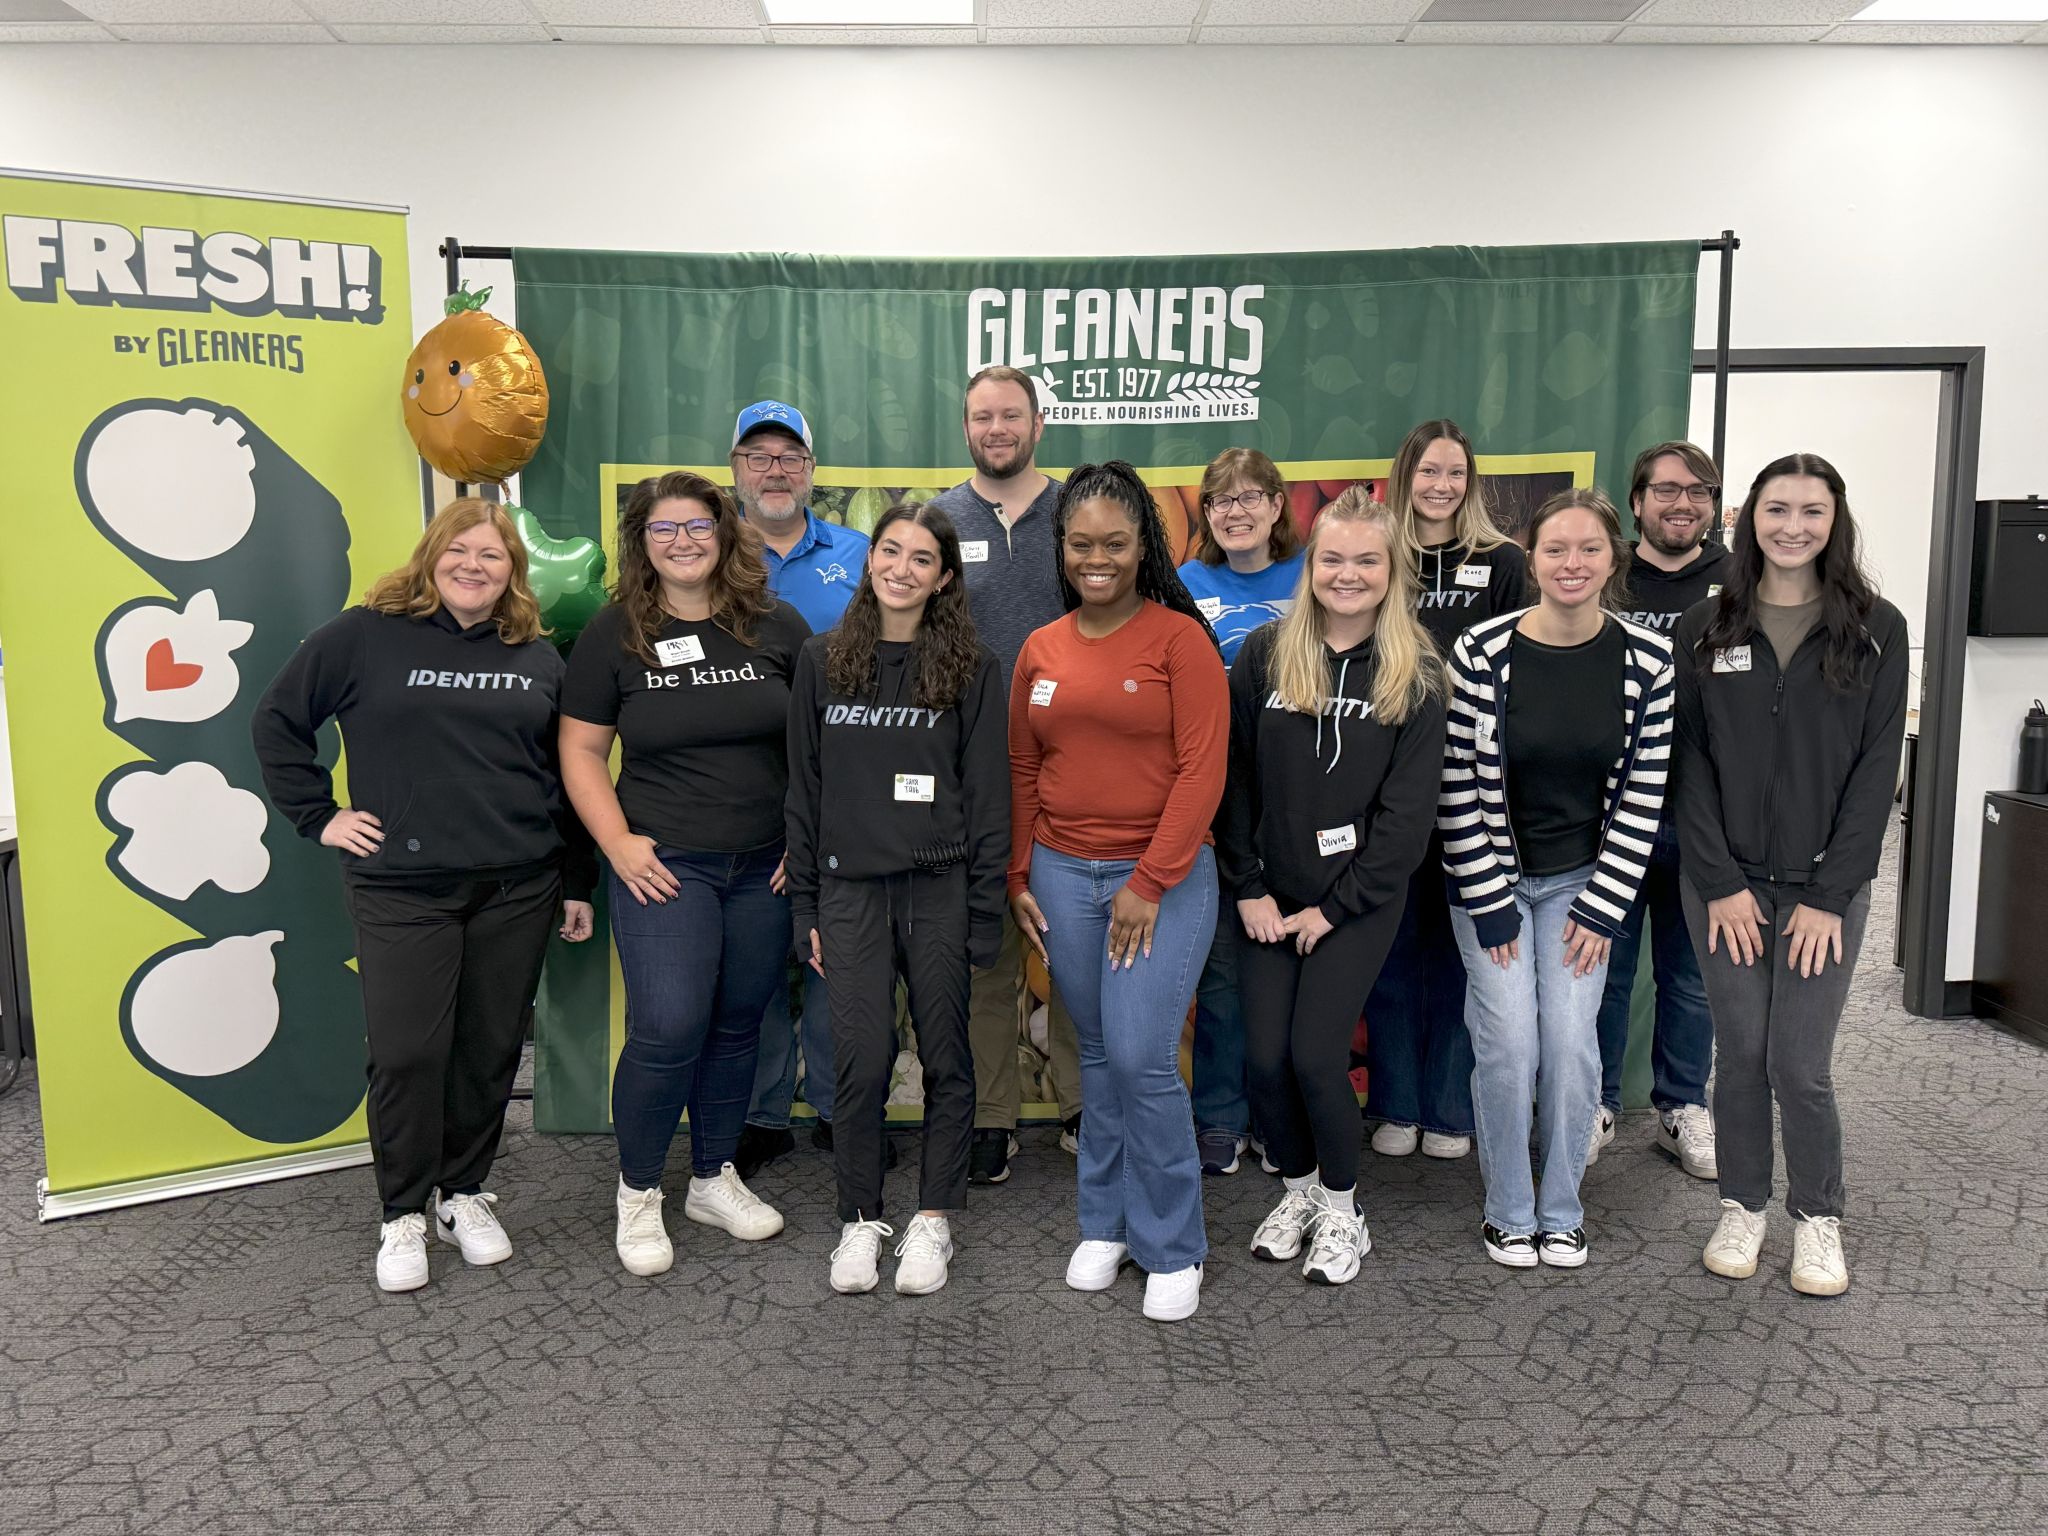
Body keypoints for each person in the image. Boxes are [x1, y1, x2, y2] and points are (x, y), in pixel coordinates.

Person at [252, 498, 595, 1294]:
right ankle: (403, 1209)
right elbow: (277, 721)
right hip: (402, 887)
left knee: (488, 1050)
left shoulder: (538, 656)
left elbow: (566, 778)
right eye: (461, 551)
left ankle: (464, 1193)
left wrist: (576, 880)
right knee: (409, 1053)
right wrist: (319, 816)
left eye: (494, 555)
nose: (476, 566)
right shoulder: (363, 635)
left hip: (519, 883)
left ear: (515, 572)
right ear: (431, 555)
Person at [558, 471, 810, 1277]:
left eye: (696, 526)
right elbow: (581, 750)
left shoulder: (778, 626)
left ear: (724, 532)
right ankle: (638, 1193)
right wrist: (619, 844)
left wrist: (799, 847)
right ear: (642, 544)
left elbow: (814, 751)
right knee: (668, 1029)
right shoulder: (614, 632)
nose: (682, 542)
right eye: (663, 530)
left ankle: (710, 1177)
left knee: (740, 1026)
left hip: (762, 868)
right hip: (666, 866)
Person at [1677, 454, 1907, 1298]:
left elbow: (1878, 772)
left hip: (1822, 893)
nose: (1793, 526)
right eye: (1777, 509)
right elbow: (1688, 765)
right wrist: (1720, 881)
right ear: (1750, 517)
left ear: (1835, 520)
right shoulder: (1708, 623)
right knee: (1739, 1056)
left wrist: (1828, 897)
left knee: (1799, 1065)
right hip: (1725, 887)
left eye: (1812, 511)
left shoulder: (1878, 626)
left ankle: (1818, 1217)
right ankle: (1743, 1206)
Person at [1009, 461, 1228, 1322]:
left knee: (1141, 1058)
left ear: (1143, 548)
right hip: (1060, 875)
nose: (1096, 558)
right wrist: (1019, 872)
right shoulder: (1042, 647)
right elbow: (1025, 765)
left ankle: (1175, 1245)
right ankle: (1106, 1224)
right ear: (1061, 549)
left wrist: (1149, 879)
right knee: (1096, 1056)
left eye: (1115, 543)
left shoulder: (1180, 640)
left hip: (1161, 878)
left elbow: (1202, 770)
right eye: (1080, 543)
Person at [1440, 487, 1674, 1270]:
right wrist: (1489, 903)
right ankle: (1508, 1205)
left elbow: (1644, 795)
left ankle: (1561, 1207)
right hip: (1491, 885)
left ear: (1614, 558)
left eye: (1589, 549)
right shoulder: (1481, 652)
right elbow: (1456, 789)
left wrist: (1605, 908)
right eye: (1555, 549)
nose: (1572, 564)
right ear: (1530, 557)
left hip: (1584, 885)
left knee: (1572, 1045)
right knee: (1508, 1044)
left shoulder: (1650, 661)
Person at [1219, 489, 1445, 1286]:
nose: (1347, 575)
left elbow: (1406, 821)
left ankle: (1345, 1210)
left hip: (1357, 901)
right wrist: (1246, 886)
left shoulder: (1417, 676)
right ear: (1310, 565)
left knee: (1317, 1057)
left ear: (1392, 572)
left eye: (1367, 561)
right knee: (1264, 1058)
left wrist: (1334, 907)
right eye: (1333, 559)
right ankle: (1300, 1189)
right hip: (1265, 897)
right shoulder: (1265, 653)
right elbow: (1235, 779)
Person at [785, 503, 1009, 1296]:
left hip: (940, 887)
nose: (903, 568)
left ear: (945, 576)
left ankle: (933, 1220)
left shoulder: (975, 669)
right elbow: (804, 791)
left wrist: (986, 909)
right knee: (860, 1062)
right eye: (890, 551)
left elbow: (988, 797)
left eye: (922, 558)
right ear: (869, 560)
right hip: (849, 891)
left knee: (949, 1059)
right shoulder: (822, 659)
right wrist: (803, 906)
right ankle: (858, 1219)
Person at [929, 366, 1083, 1184]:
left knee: (1072, 946)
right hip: (970, 767)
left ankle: (1079, 1104)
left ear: (1038, 423)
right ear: (966, 429)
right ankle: (990, 1115)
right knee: (984, 949)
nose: (997, 428)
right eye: (982, 416)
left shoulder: (1078, 511)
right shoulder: (942, 520)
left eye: (1011, 415)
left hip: (1072, 761)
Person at [1365, 419, 1527, 1162]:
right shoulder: (1376, 557)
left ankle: (1452, 1110)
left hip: (1473, 788)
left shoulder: (1502, 563)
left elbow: (1522, 670)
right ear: (1406, 475)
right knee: (1394, 951)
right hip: (1385, 785)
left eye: (1455, 473)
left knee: (1465, 957)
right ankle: (1397, 1103)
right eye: (1428, 471)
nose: (1441, 486)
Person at [726, 400, 873, 1180]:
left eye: (789, 456)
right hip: (740, 793)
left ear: (812, 471)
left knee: (833, 954)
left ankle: (840, 1108)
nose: (775, 469)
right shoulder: (706, 555)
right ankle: (761, 1113)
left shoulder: (858, 554)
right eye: (759, 456)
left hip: (841, 790)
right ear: (736, 470)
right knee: (756, 961)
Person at [1594, 441, 1730, 1176]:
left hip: (1703, 815)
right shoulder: (1601, 573)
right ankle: (1596, 1103)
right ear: (1638, 500)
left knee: (1689, 974)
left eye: (1700, 492)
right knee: (1605, 972)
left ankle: (1683, 1107)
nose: (1684, 504)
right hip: (1608, 813)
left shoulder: (1743, 584)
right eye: (1668, 490)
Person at [1175, 446, 1307, 1177]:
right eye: (1221, 499)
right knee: (1222, 972)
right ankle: (1221, 1117)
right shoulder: (1186, 584)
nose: (1236, 510)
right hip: (1217, 798)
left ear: (1278, 505)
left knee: (1287, 972)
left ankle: (1275, 1115)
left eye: (1251, 496)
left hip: (1299, 796)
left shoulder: (1313, 575)